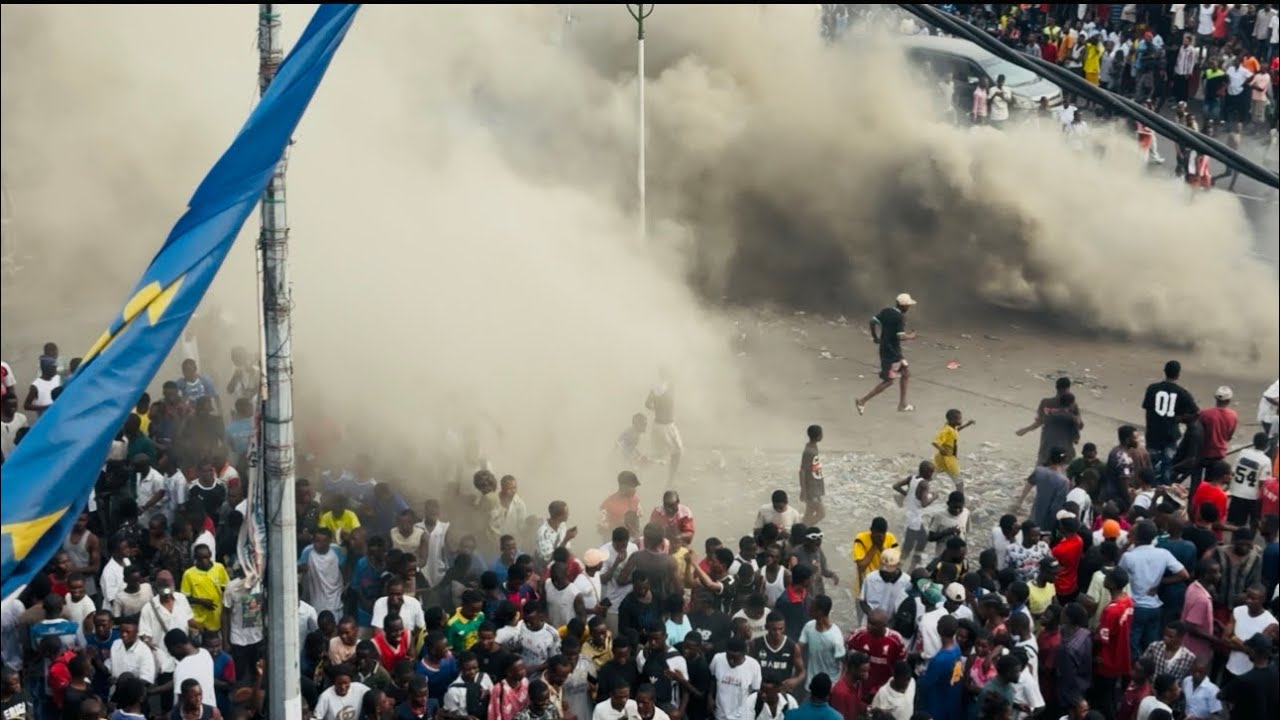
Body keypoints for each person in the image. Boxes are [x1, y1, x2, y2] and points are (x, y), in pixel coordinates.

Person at [855, 293, 918, 415]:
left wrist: (875, 337)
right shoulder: (900, 318)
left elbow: (872, 322)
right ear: (904, 306)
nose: (909, 308)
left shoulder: (886, 311)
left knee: (906, 373)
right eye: (908, 306)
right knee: (888, 381)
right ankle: (862, 401)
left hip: (886, 349)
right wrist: (911, 336)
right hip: (892, 353)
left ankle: (902, 404)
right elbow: (900, 337)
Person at [1142, 361, 1199, 486]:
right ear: (1178, 374)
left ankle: (1148, 490)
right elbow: (1196, 413)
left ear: (1164, 371)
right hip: (1170, 436)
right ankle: (1164, 493)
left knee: (1149, 468)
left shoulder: (1152, 388)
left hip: (1152, 434)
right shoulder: (1182, 393)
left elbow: (1147, 409)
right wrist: (1180, 419)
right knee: (1168, 468)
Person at [1219, 634, 1279, 719]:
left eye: (1248, 649)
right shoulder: (1275, 674)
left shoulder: (1245, 679)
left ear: (1253, 652)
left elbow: (1221, 696)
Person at [892, 462, 936, 570]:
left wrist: (906, 494)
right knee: (908, 546)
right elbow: (924, 503)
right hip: (914, 519)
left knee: (923, 538)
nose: (932, 474)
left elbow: (896, 486)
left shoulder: (912, 478)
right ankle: (899, 568)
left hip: (909, 514)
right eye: (930, 472)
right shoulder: (924, 484)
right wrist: (934, 497)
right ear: (925, 472)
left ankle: (914, 561)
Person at [920, 614, 963, 720]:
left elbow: (926, 684)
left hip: (938, 705)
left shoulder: (939, 660)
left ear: (939, 630)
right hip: (953, 700)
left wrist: (920, 676)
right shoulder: (957, 649)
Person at [645, 367, 682, 486]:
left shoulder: (658, 387)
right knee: (675, 452)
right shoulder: (664, 387)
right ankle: (670, 481)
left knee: (661, 454)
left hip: (662, 425)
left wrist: (656, 408)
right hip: (665, 426)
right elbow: (648, 403)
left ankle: (643, 472)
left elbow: (647, 403)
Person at [1230, 431, 1273, 531]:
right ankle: (1249, 543)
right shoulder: (1266, 460)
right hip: (1252, 496)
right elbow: (1263, 483)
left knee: (1236, 524)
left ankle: (1235, 543)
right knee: (1254, 522)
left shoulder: (1243, 452)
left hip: (1236, 492)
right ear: (1266, 445)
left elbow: (1233, 471)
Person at [932, 408, 975, 492]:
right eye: (959, 419)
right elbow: (935, 442)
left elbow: (956, 431)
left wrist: (967, 425)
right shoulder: (946, 430)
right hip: (949, 459)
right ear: (952, 420)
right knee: (959, 483)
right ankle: (959, 499)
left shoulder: (951, 427)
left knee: (930, 475)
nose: (961, 421)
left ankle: (915, 485)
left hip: (941, 459)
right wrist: (942, 449)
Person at [800, 425, 826, 524]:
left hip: (815, 487)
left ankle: (802, 530)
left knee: (809, 513)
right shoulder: (809, 452)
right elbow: (802, 471)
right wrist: (803, 490)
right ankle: (804, 529)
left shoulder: (813, 448)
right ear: (819, 436)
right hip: (811, 488)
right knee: (821, 513)